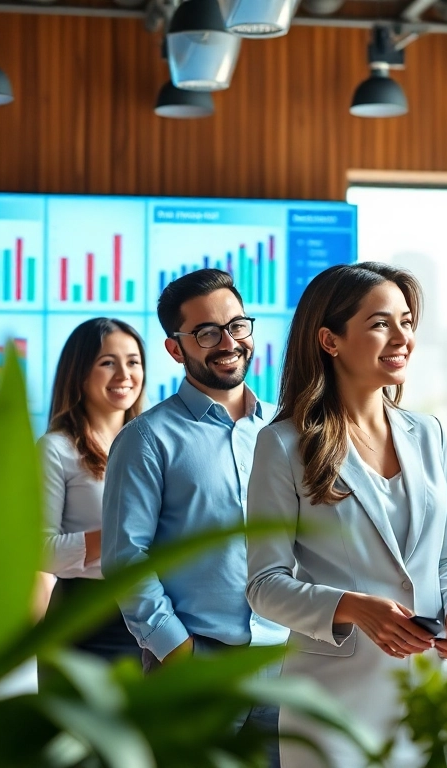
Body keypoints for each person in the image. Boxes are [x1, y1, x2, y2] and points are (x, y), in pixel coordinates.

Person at [246, 263, 447, 768]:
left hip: (426, 697)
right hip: (332, 704)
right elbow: (263, 585)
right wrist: (354, 607)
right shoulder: (284, 444)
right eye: (380, 324)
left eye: (407, 321)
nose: (403, 337)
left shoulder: (428, 433)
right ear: (330, 340)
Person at [101, 269, 287, 766]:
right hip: (195, 663)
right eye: (207, 332)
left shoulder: (285, 428)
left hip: (287, 662)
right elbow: (125, 557)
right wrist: (175, 648)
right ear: (175, 348)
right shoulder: (146, 439)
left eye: (237, 326)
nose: (227, 342)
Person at [37, 318, 146, 676]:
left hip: (154, 616)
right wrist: (118, 537)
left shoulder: (155, 444)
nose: (124, 374)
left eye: (133, 361)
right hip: (83, 619)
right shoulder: (56, 449)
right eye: (107, 363)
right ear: (80, 373)